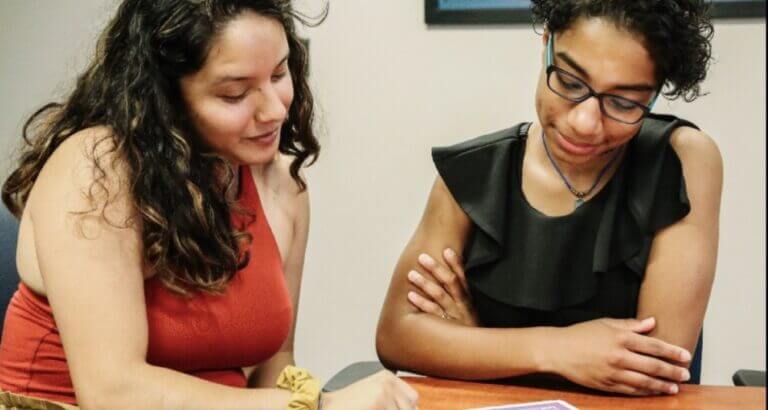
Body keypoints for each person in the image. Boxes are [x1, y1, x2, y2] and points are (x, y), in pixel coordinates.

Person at [0, 1, 418, 409]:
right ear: (165, 97)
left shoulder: (283, 186)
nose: (274, 110)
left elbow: (271, 371)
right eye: (236, 94)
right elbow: (114, 393)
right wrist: (321, 406)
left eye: (279, 73)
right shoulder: (97, 172)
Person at [377, 0, 721, 397]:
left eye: (623, 103)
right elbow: (395, 336)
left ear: (656, 95)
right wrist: (557, 349)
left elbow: (654, 367)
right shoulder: (473, 176)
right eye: (571, 83)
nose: (585, 123)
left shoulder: (682, 161)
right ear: (546, 45)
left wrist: (475, 342)